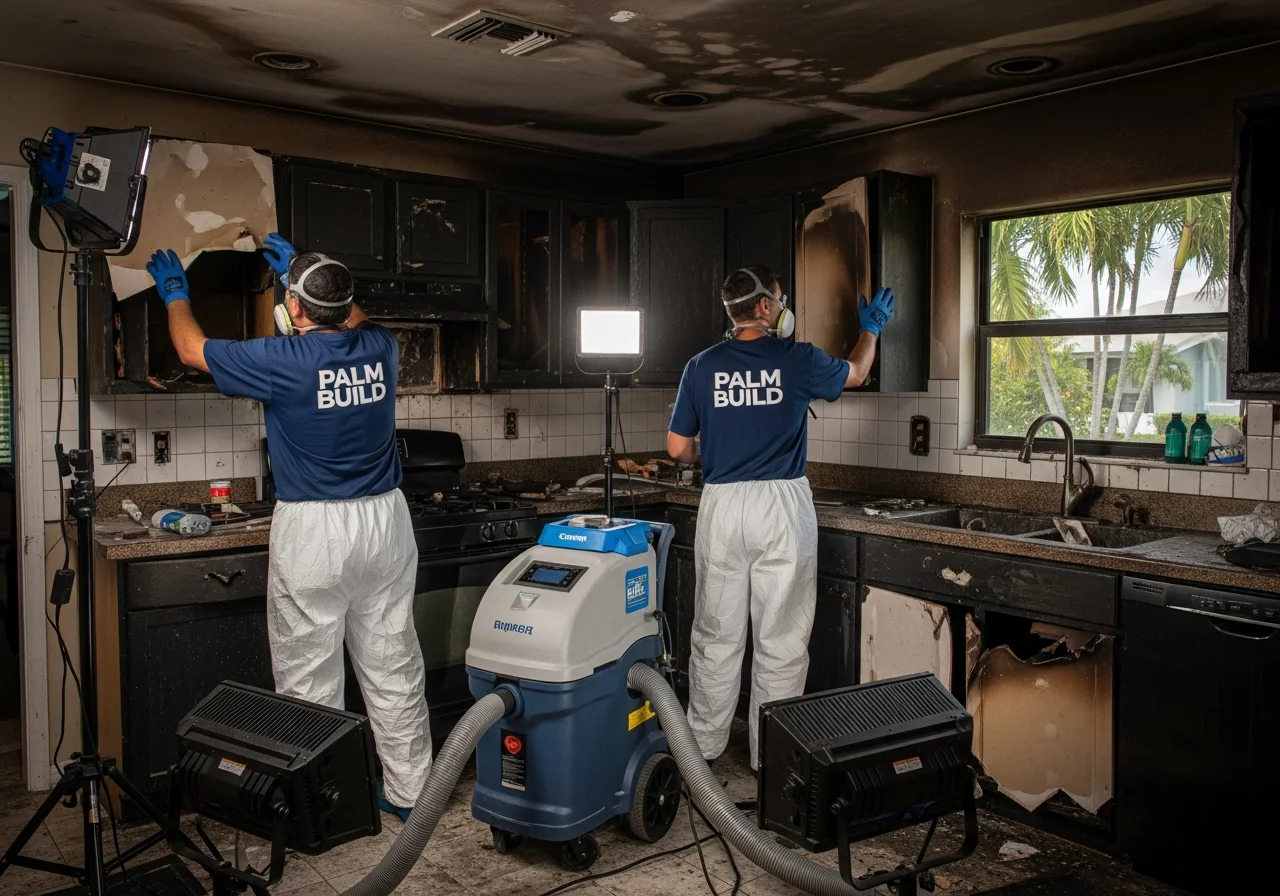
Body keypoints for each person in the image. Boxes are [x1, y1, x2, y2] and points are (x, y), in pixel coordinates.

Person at [145, 236, 429, 820]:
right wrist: (311, 278)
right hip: (385, 522)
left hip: (316, 529)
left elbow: (193, 350)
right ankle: (411, 795)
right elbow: (352, 315)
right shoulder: (382, 346)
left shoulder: (282, 361)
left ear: (294, 310)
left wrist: (175, 293)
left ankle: (320, 808)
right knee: (393, 664)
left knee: (309, 678)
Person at [666, 265, 895, 771]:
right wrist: (871, 328)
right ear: (766, 307)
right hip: (782, 506)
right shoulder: (798, 359)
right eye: (782, 299)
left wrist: (724, 443)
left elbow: (677, 446)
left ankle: (700, 753)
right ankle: (771, 757)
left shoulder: (700, 366)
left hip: (722, 506)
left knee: (716, 632)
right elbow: (856, 374)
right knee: (782, 636)